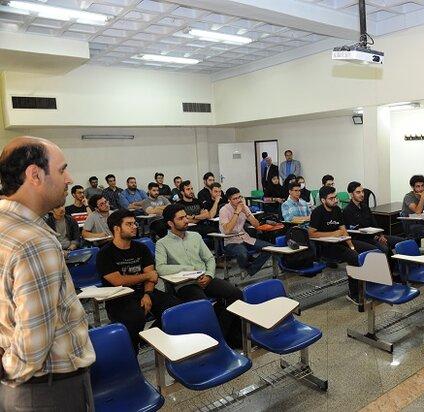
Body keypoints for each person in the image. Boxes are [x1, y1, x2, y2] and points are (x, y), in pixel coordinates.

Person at [0, 136, 95, 409]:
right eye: (62, 169)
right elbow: (33, 348)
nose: (69, 179)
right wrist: (8, 370)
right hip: (48, 390)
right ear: (35, 175)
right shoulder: (34, 242)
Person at [156, 204, 243, 347]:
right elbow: (160, 268)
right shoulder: (162, 243)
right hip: (185, 284)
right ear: (170, 223)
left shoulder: (195, 236)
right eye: (181, 218)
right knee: (203, 306)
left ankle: (224, 335)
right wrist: (189, 268)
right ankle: (215, 338)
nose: (186, 220)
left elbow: (209, 259)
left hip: (205, 278)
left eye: (186, 217)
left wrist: (209, 275)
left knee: (236, 294)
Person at [96, 209, 179, 352]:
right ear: (116, 229)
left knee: (175, 308)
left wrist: (147, 294)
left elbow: (152, 276)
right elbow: (118, 281)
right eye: (129, 224)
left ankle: (147, 338)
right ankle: (131, 351)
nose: (135, 226)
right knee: (135, 317)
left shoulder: (141, 248)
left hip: (145, 291)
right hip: (119, 296)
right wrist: (146, 276)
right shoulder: (105, 253)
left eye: (135, 223)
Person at [309, 185, 375, 304]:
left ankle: (372, 286)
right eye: (331, 198)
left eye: (335, 197)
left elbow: (343, 230)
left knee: (371, 251)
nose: (335, 200)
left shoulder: (337, 210)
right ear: (323, 200)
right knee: (354, 258)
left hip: (341, 242)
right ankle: (354, 293)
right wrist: (333, 234)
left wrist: (351, 246)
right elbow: (311, 234)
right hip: (326, 247)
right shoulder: (317, 212)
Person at [344, 181, 404, 265]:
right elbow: (355, 230)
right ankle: (388, 269)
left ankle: (399, 267)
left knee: (401, 241)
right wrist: (375, 237)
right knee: (383, 248)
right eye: (358, 192)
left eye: (362, 191)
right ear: (351, 194)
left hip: (374, 235)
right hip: (361, 239)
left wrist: (381, 235)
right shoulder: (347, 211)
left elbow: (374, 223)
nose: (362, 194)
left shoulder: (365, 207)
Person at [219, 187, 273, 277]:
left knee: (270, 248)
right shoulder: (224, 210)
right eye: (235, 199)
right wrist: (237, 212)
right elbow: (227, 230)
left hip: (245, 238)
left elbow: (256, 225)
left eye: (239, 197)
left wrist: (247, 213)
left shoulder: (244, 207)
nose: (238, 200)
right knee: (242, 253)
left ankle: (251, 269)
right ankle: (249, 267)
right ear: (229, 200)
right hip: (231, 241)